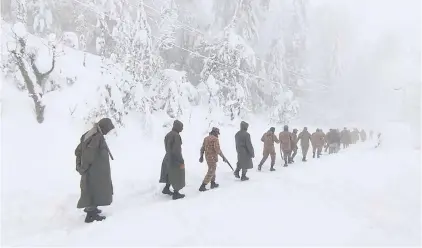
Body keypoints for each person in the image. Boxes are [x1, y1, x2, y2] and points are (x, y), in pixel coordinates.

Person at [75, 117, 115, 223]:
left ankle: (92, 208)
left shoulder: (92, 133)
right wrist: (83, 168)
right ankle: (90, 215)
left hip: (95, 170)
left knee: (94, 190)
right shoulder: (96, 137)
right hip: (94, 171)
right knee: (94, 190)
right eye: (108, 129)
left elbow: (79, 149)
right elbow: (89, 154)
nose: (108, 131)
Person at [159, 120, 186, 200]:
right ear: (177, 127)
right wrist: (181, 161)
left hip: (167, 157)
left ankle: (166, 189)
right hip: (174, 159)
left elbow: (168, 148)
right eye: (181, 127)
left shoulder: (168, 135)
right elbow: (176, 150)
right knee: (177, 175)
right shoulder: (176, 136)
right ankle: (176, 193)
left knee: (169, 174)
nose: (182, 129)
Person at [199, 127, 228, 191]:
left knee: (212, 168)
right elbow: (217, 149)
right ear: (215, 132)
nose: (218, 135)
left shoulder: (206, 138)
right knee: (212, 170)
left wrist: (201, 156)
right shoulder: (215, 139)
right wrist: (223, 157)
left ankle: (213, 183)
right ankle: (203, 185)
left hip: (207, 157)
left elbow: (202, 148)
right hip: (212, 157)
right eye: (217, 133)